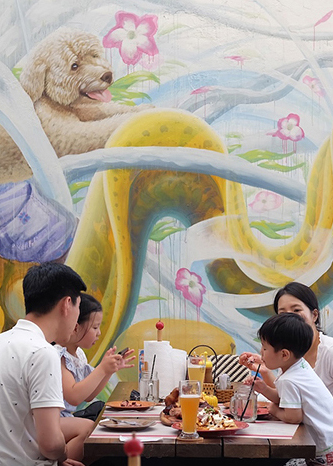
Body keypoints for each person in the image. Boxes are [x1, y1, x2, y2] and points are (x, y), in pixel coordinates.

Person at [0, 261, 92, 466]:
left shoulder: (2, 342)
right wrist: (62, 457)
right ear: (67, 304)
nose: (77, 322)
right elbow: (50, 444)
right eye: (79, 307)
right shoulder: (43, 353)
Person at [247, 313, 333, 465]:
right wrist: (264, 389)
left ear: (284, 354)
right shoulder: (299, 366)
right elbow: (286, 399)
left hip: (325, 448)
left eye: (265, 348)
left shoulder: (290, 380)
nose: (261, 352)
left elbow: (294, 417)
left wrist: (273, 409)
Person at [239, 282, 333, 395]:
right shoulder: (287, 349)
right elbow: (287, 395)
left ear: (314, 315)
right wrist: (265, 371)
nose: (290, 317)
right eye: (282, 313)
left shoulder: (330, 351)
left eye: (296, 310)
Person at [56, 293, 135, 419]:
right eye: (95, 327)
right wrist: (102, 369)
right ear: (75, 327)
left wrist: (108, 371)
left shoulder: (79, 354)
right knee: (87, 427)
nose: (99, 333)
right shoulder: (59, 356)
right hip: (55, 421)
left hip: (67, 418)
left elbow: (89, 396)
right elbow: (74, 397)